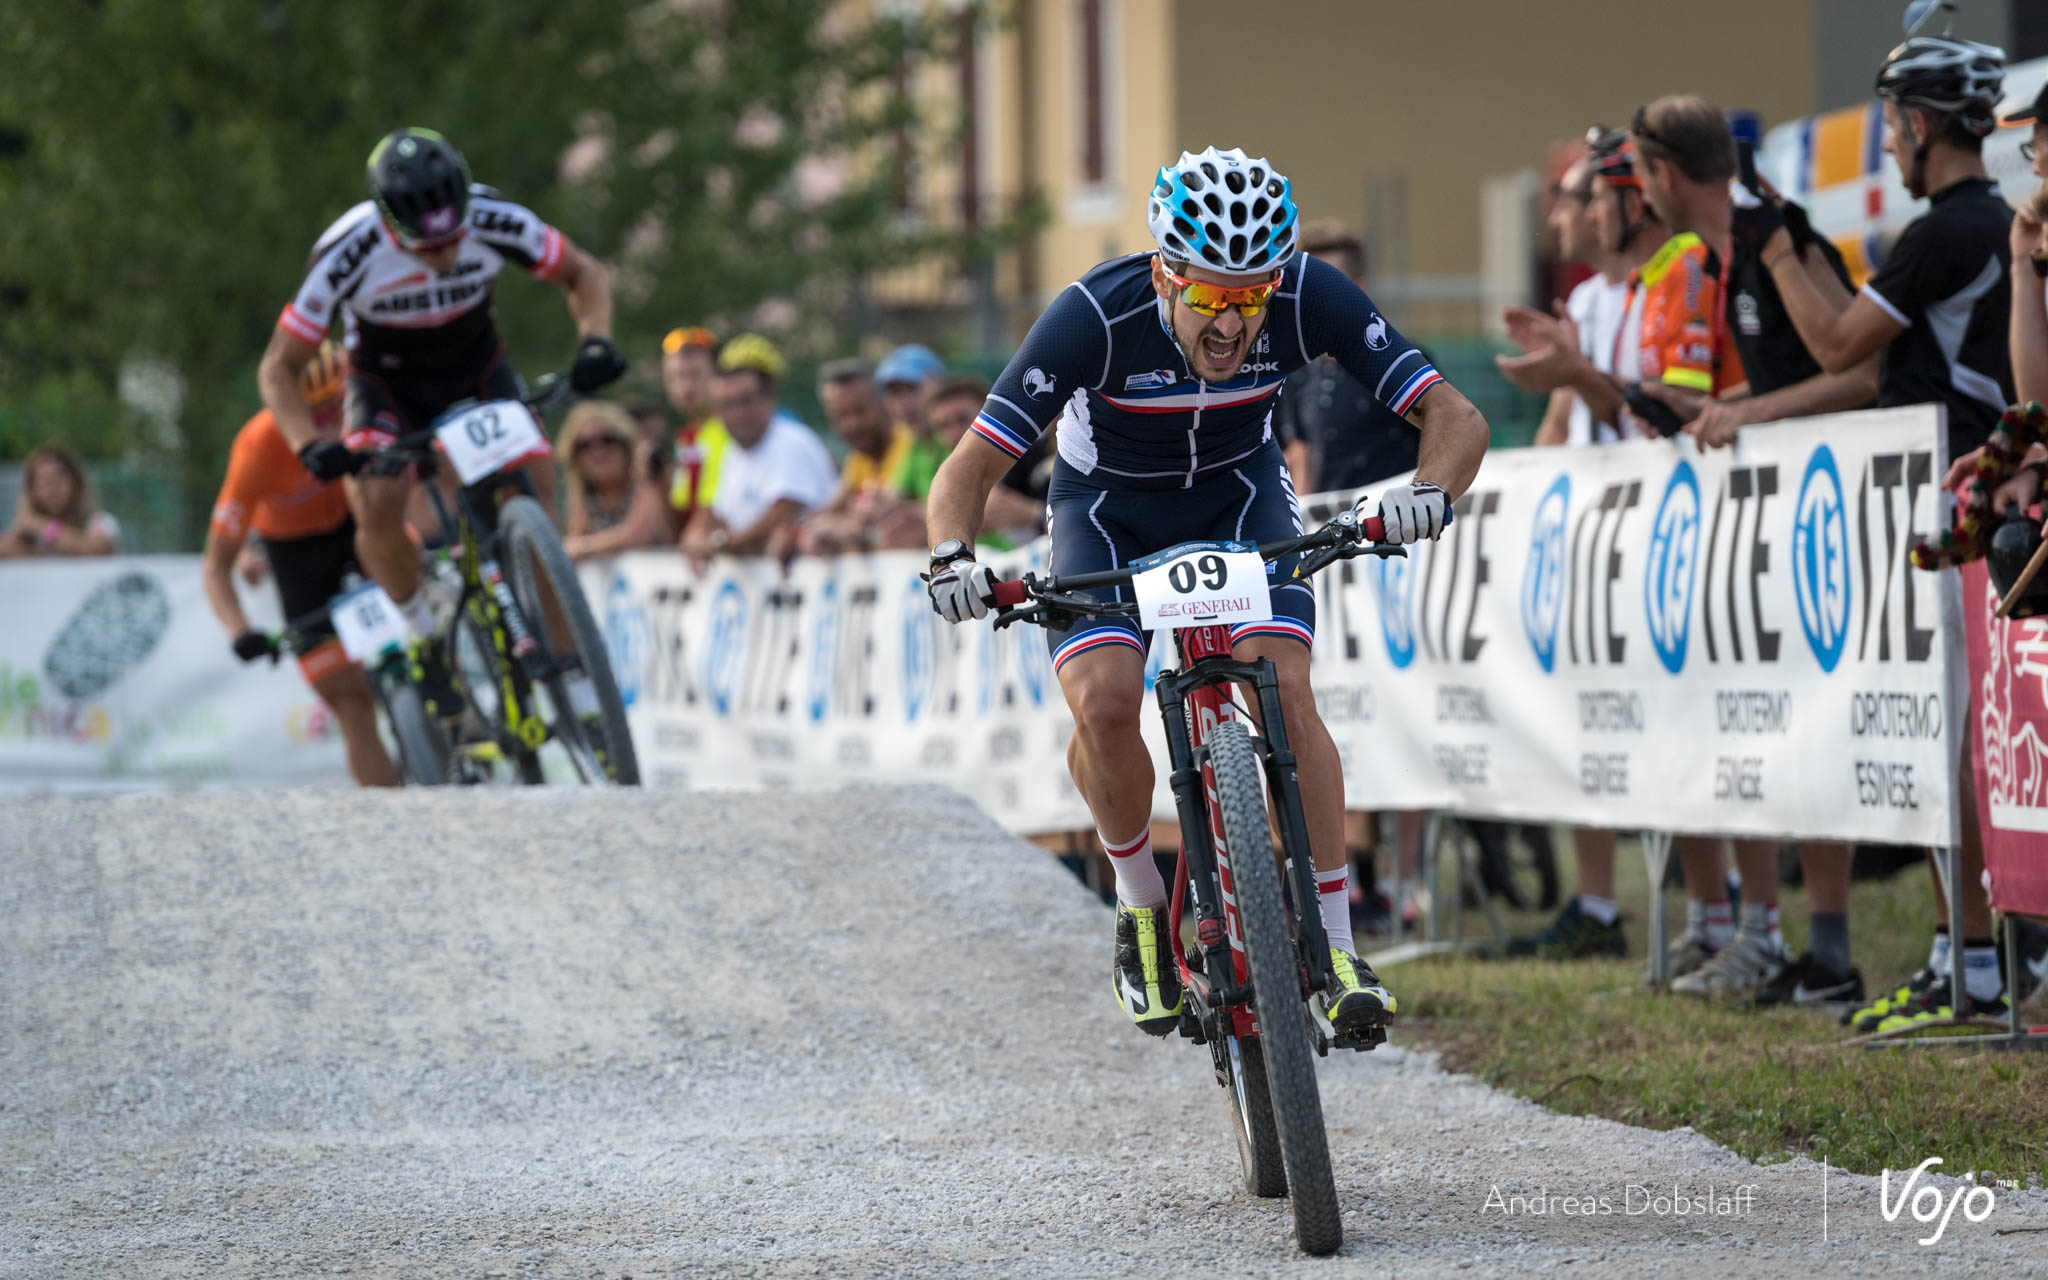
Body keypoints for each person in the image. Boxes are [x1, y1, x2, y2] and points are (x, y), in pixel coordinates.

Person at [923, 146, 1490, 1043]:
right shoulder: (1093, 317)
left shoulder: (1308, 294)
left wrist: (1428, 494)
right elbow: (970, 468)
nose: (1234, 324)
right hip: (1107, 509)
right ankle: (1144, 906)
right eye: (1214, 298)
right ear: (1164, 273)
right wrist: (951, 557)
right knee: (1106, 703)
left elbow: (1456, 419)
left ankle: (1338, 947)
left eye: (1253, 297)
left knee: (1287, 687)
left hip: (1240, 496)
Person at [1762, 37, 2019, 1032]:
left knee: (1950, 741)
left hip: (1951, 492)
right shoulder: (1985, 222)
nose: (1887, 144)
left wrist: (1777, 246)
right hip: (1969, 484)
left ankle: (1970, 960)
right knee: (1960, 736)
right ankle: (1979, 952)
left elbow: (1835, 345)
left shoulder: (1944, 231)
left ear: (1916, 123)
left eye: (1889, 125)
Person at [257, 127, 625, 723]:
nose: (447, 256)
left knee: (534, 473)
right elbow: (279, 368)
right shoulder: (347, 252)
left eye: (455, 240)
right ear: (388, 225)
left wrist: (596, 342)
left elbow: (586, 275)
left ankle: (569, 659)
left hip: (474, 367)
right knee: (376, 499)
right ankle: (420, 631)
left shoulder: (495, 216)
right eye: (426, 250)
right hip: (387, 383)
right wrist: (307, 444)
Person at [1500, 142, 1633, 961]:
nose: (1556, 216)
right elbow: (1563, 421)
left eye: (1568, 198)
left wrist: (1575, 372)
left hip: (1637, 526)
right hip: (1586, 533)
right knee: (1590, 720)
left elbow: (1650, 412)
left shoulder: (1666, 283)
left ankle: (1729, 910)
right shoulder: (1586, 295)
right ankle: (1596, 904)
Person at [201, 341, 400, 787]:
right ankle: (394, 814)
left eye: (338, 404)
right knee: (352, 703)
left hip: (356, 521)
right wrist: (240, 632)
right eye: (318, 411)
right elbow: (216, 566)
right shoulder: (257, 448)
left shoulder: (369, 408)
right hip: (296, 554)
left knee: (414, 597)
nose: (332, 420)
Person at [679, 334, 837, 565]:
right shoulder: (729, 452)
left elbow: (781, 513)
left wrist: (721, 543)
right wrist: (696, 538)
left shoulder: (791, 441)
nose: (736, 414)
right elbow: (710, 513)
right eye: (726, 405)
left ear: (769, 397)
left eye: (745, 401)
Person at [797, 360, 920, 554]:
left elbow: (884, 521)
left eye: (860, 411)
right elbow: (829, 512)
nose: (852, 424)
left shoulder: (911, 445)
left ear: (883, 405)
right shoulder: (859, 457)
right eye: (841, 416)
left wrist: (837, 528)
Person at [559, 400, 669, 560]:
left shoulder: (647, 475)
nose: (598, 452)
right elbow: (574, 539)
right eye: (584, 445)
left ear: (625, 444)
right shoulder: (584, 492)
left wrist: (585, 547)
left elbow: (639, 535)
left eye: (607, 440)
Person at [662, 326, 731, 535]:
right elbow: (681, 510)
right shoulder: (687, 437)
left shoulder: (732, 431)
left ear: (719, 376)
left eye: (695, 375)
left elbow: (713, 505)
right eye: (676, 377)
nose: (685, 387)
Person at [1, 444, 119, 558]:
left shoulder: (99, 521)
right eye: (44, 481)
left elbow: (98, 549)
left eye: (59, 477)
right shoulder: (29, 533)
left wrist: (40, 525)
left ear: (76, 483)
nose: (52, 487)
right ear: (32, 490)